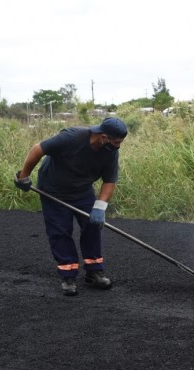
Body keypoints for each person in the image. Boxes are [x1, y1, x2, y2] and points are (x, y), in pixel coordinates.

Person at [13, 117, 128, 296]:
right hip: (53, 190)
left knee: (93, 226)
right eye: (116, 142)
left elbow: (110, 180)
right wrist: (24, 176)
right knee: (60, 230)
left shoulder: (110, 152)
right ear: (103, 137)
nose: (118, 146)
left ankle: (94, 272)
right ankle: (68, 276)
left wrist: (100, 207)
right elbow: (38, 149)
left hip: (82, 190)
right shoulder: (71, 137)